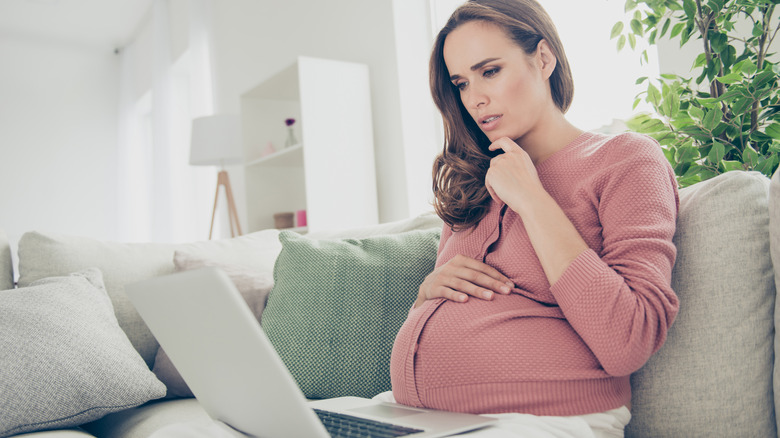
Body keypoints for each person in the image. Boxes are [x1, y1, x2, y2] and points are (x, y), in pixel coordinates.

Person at [385, 0, 680, 436]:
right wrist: (425, 296)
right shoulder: (471, 181)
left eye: (490, 71)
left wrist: (533, 200)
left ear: (543, 59)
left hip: (542, 420)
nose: (475, 98)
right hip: (416, 414)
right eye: (461, 83)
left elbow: (628, 340)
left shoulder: (625, 159)